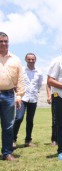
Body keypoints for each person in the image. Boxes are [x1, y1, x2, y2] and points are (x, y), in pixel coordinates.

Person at [0, 32, 25, 161]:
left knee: (8, 126)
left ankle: (7, 153)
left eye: (6, 41)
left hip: (9, 95)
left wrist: (19, 96)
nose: (3, 43)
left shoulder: (15, 59)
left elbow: (20, 79)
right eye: (1, 41)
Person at [13, 53, 43, 148]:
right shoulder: (21, 70)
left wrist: (34, 92)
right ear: (25, 60)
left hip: (33, 99)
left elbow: (39, 84)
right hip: (22, 98)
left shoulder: (39, 72)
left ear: (35, 60)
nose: (31, 61)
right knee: (19, 118)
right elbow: (15, 83)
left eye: (32, 59)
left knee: (30, 120)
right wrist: (18, 94)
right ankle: (13, 140)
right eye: (29, 59)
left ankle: (28, 140)